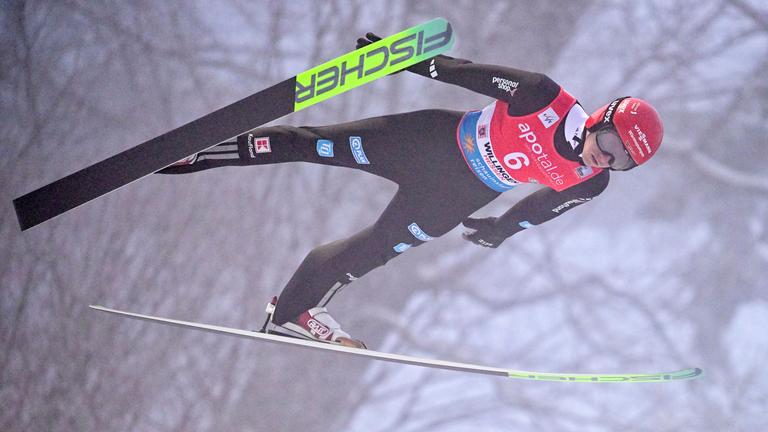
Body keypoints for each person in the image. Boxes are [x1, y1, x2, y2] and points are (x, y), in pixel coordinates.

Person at [159, 33, 664, 348]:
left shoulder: (590, 182)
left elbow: (545, 206)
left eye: (623, 161)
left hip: (457, 196)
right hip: (428, 143)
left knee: (373, 251)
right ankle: (197, 154)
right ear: (602, 118)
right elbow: (463, 72)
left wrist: (503, 229)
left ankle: (292, 312)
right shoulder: (540, 95)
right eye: (611, 143)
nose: (607, 158)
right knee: (311, 144)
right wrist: (397, 59)